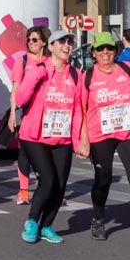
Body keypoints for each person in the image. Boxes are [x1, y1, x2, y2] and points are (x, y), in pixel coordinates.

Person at [77, 32, 130, 249]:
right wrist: (83, 139)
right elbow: (82, 109)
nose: (106, 52)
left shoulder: (127, 69)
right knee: (103, 177)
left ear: (115, 51)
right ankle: (98, 218)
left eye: (109, 49)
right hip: (99, 134)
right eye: (100, 49)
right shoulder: (87, 76)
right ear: (94, 53)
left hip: (127, 130)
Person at [15, 31, 81, 244]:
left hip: (61, 136)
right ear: (50, 46)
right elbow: (19, 98)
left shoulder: (76, 75)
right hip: (34, 136)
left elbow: (79, 109)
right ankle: (32, 221)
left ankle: (47, 225)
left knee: (60, 185)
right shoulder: (38, 69)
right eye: (62, 41)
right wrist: (34, 76)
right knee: (48, 180)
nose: (67, 45)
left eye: (69, 42)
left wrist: (78, 141)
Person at [7, 27, 50, 205]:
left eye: (34, 40)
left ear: (44, 42)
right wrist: (12, 114)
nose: (30, 43)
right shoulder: (22, 61)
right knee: (25, 152)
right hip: (26, 114)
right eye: (29, 40)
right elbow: (15, 89)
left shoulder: (50, 61)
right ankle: (23, 190)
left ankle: (48, 187)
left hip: (48, 114)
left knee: (47, 152)